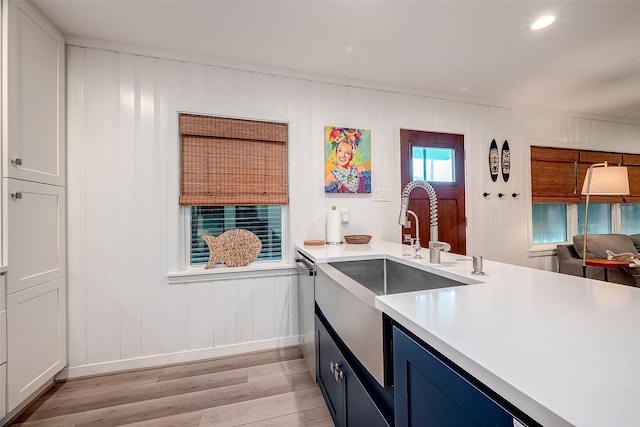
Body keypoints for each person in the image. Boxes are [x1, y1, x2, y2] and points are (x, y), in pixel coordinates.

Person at [325, 127, 371, 193]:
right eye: (340, 150)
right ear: (336, 152)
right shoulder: (330, 179)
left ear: (351, 156)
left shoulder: (361, 170)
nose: (343, 155)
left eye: (347, 153)